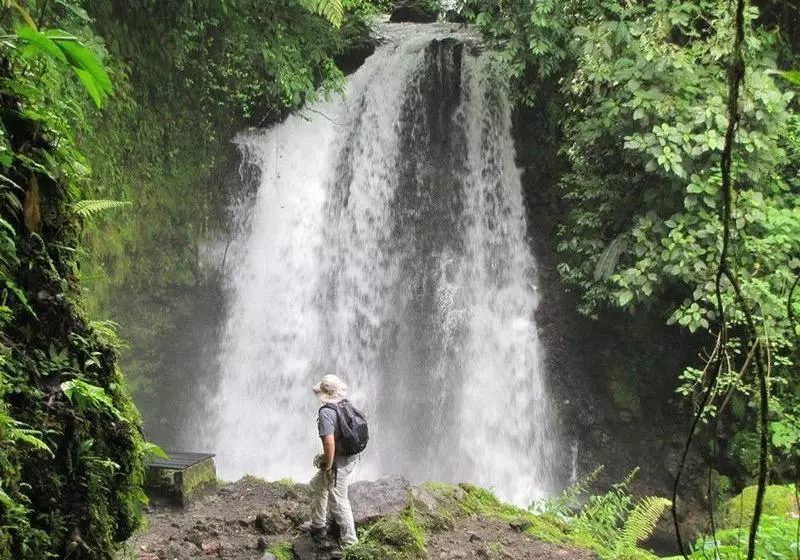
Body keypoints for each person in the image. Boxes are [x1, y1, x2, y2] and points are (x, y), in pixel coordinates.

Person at [301, 374, 359, 549]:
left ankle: (350, 543)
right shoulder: (345, 404)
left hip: (337, 463)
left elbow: (329, 442)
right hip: (349, 457)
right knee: (316, 487)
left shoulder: (326, 412)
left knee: (339, 501)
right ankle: (318, 524)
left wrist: (327, 465)